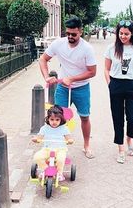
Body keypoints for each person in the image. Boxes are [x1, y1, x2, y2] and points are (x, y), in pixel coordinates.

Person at [39, 16, 97, 159]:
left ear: (81, 32)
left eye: (74, 34)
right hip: (63, 88)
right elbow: (43, 59)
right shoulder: (58, 44)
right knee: (56, 117)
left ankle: (86, 145)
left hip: (81, 88)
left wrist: (72, 78)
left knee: (84, 117)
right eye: (68, 34)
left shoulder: (87, 49)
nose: (70, 37)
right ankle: (55, 147)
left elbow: (92, 72)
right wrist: (46, 76)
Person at [104, 20, 133, 164]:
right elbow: (106, 69)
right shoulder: (111, 48)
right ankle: (121, 149)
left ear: (132, 33)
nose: (123, 36)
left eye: (126, 34)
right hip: (116, 84)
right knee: (118, 118)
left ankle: (129, 139)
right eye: (121, 33)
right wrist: (110, 84)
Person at [32, 105, 73, 181]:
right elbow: (39, 138)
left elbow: (69, 138)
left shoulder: (64, 128)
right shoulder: (44, 128)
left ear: (61, 120)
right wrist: (36, 139)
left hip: (60, 149)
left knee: (60, 159)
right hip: (47, 149)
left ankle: (59, 173)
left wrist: (70, 140)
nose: (54, 122)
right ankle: (46, 169)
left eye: (57, 120)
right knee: (37, 157)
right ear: (48, 119)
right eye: (52, 119)